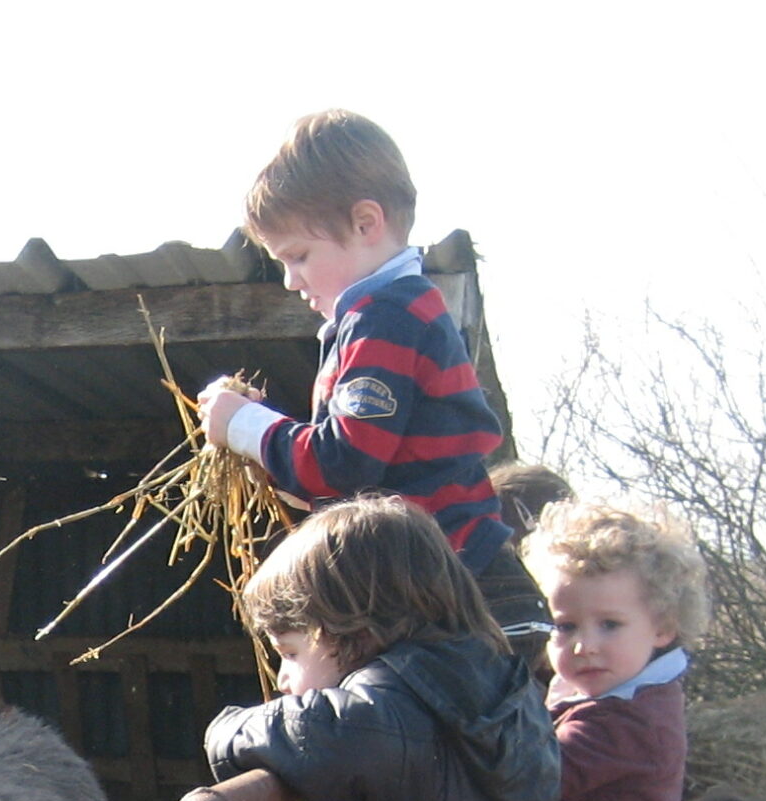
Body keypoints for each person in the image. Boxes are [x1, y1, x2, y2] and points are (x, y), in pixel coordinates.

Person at [197, 108, 550, 658]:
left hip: (464, 592)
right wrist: (274, 449)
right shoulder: (386, 314)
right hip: (446, 584)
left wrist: (244, 426)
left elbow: (344, 465)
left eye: (298, 256)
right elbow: (358, 478)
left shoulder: (386, 317)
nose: (291, 280)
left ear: (366, 223)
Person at [203, 498, 557, 801]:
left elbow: (323, 735)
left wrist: (225, 730)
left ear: (356, 631)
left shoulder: (381, 708)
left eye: (290, 653)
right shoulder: (510, 695)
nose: (283, 680)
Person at [522, 497, 709, 801]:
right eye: (566, 627)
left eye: (610, 625)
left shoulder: (631, 722)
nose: (585, 647)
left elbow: (525, 776)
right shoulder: (599, 697)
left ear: (663, 626)